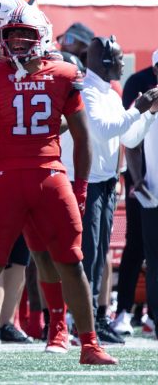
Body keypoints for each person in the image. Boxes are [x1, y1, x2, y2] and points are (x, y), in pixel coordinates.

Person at [0, 4, 116, 366]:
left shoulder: (62, 73)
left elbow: (82, 135)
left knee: (69, 261)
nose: (21, 42)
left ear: (41, 36)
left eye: (27, 35)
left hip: (44, 175)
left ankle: (87, 342)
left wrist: (80, 190)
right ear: (0, 36)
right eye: (14, 35)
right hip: (10, 176)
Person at [60, 36, 158, 343]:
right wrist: (138, 108)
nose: (121, 65)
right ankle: (80, 321)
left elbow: (128, 138)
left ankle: (93, 320)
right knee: (88, 253)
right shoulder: (88, 92)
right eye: (117, 59)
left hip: (104, 182)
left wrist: (149, 113)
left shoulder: (110, 94)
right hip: (86, 181)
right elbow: (102, 129)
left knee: (99, 254)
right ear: (104, 62)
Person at [112, 49, 158, 335]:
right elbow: (129, 139)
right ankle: (153, 318)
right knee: (154, 263)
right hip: (154, 196)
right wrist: (148, 111)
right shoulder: (150, 103)